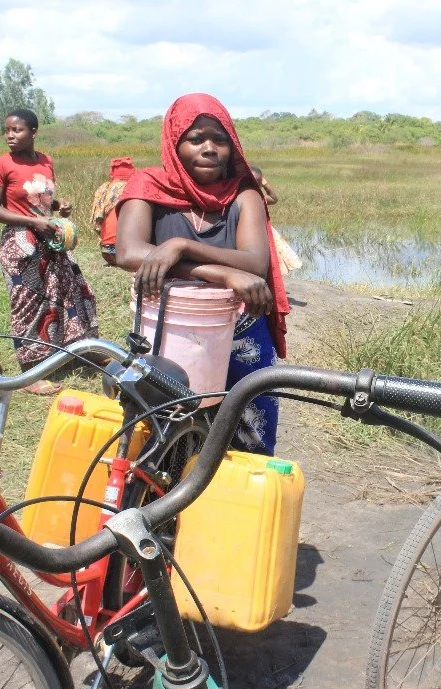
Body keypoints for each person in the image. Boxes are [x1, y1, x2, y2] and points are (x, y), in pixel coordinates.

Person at [114, 93, 290, 454]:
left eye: (219, 140)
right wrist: (224, 274)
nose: (209, 149)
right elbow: (129, 252)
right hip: (170, 330)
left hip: (241, 333)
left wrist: (183, 246)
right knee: (162, 434)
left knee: (246, 442)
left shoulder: (244, 195)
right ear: (174, 144)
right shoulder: (148, 187)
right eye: (196, 139)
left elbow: (255, 262)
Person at [0, 108, 99, 396]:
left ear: (33, 132)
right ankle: (30, 374)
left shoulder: (45, 161)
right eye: (7, 130)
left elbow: (40, 200)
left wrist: (59, 206)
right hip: (21, 243)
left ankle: (80, 350)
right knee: (29, 305)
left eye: (17, 130)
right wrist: (33, 222)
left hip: (50, 239)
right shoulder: (0, 165)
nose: (10, 135)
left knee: (73, 292)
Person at [251, 164, 303, 277]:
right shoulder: (242, 198)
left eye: (258, 184)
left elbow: (274, 198)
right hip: (251, 233)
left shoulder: (260, 198)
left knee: (274, 257)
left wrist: (265, 184)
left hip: (264, 231)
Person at [89, 156, 136, 266]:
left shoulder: (104, 189)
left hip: (106, 251)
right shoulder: (132, 188)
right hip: (126, 251)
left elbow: (97, 222)